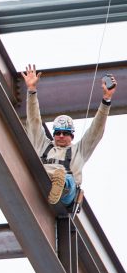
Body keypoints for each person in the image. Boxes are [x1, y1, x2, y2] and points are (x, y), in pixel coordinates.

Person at [22, 64, 115, 206]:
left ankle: (61, 184)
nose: (60, 136)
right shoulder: (43, 145)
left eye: (65, 133)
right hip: (41, 184)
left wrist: (106, 100)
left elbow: (96, 130)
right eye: (57, 132)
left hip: (66, 196)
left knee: (69, 181)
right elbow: (34, 120)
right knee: (43, 173)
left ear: (72, 136)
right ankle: (54, 179)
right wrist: (31, 90)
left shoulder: (80, 151)